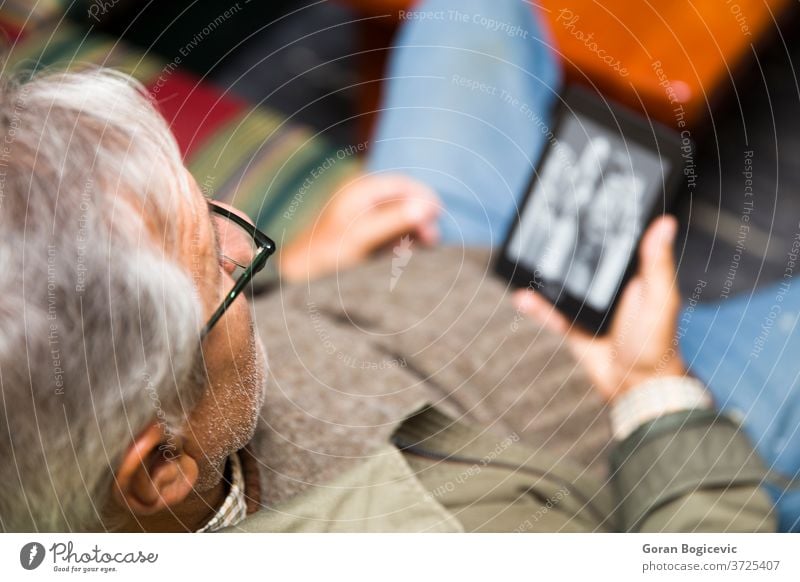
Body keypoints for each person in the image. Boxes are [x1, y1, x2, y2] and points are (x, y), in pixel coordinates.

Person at [0, 67, 775, 533]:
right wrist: (657, 397)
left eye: (210, 217)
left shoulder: (87, 412)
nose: (247, 243)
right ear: (162, 466)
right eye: (222, 270)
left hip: (403, 268)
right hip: (613, 392)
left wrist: (286, 280)